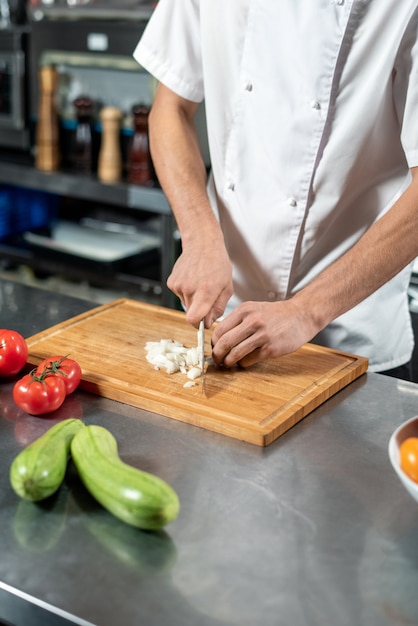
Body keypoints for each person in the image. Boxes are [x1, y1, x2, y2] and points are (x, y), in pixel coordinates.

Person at [134, 1, 418, 381]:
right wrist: (199, 236)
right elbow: (170, 108)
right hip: (226, 322)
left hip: (351, 337)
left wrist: (306, 310)